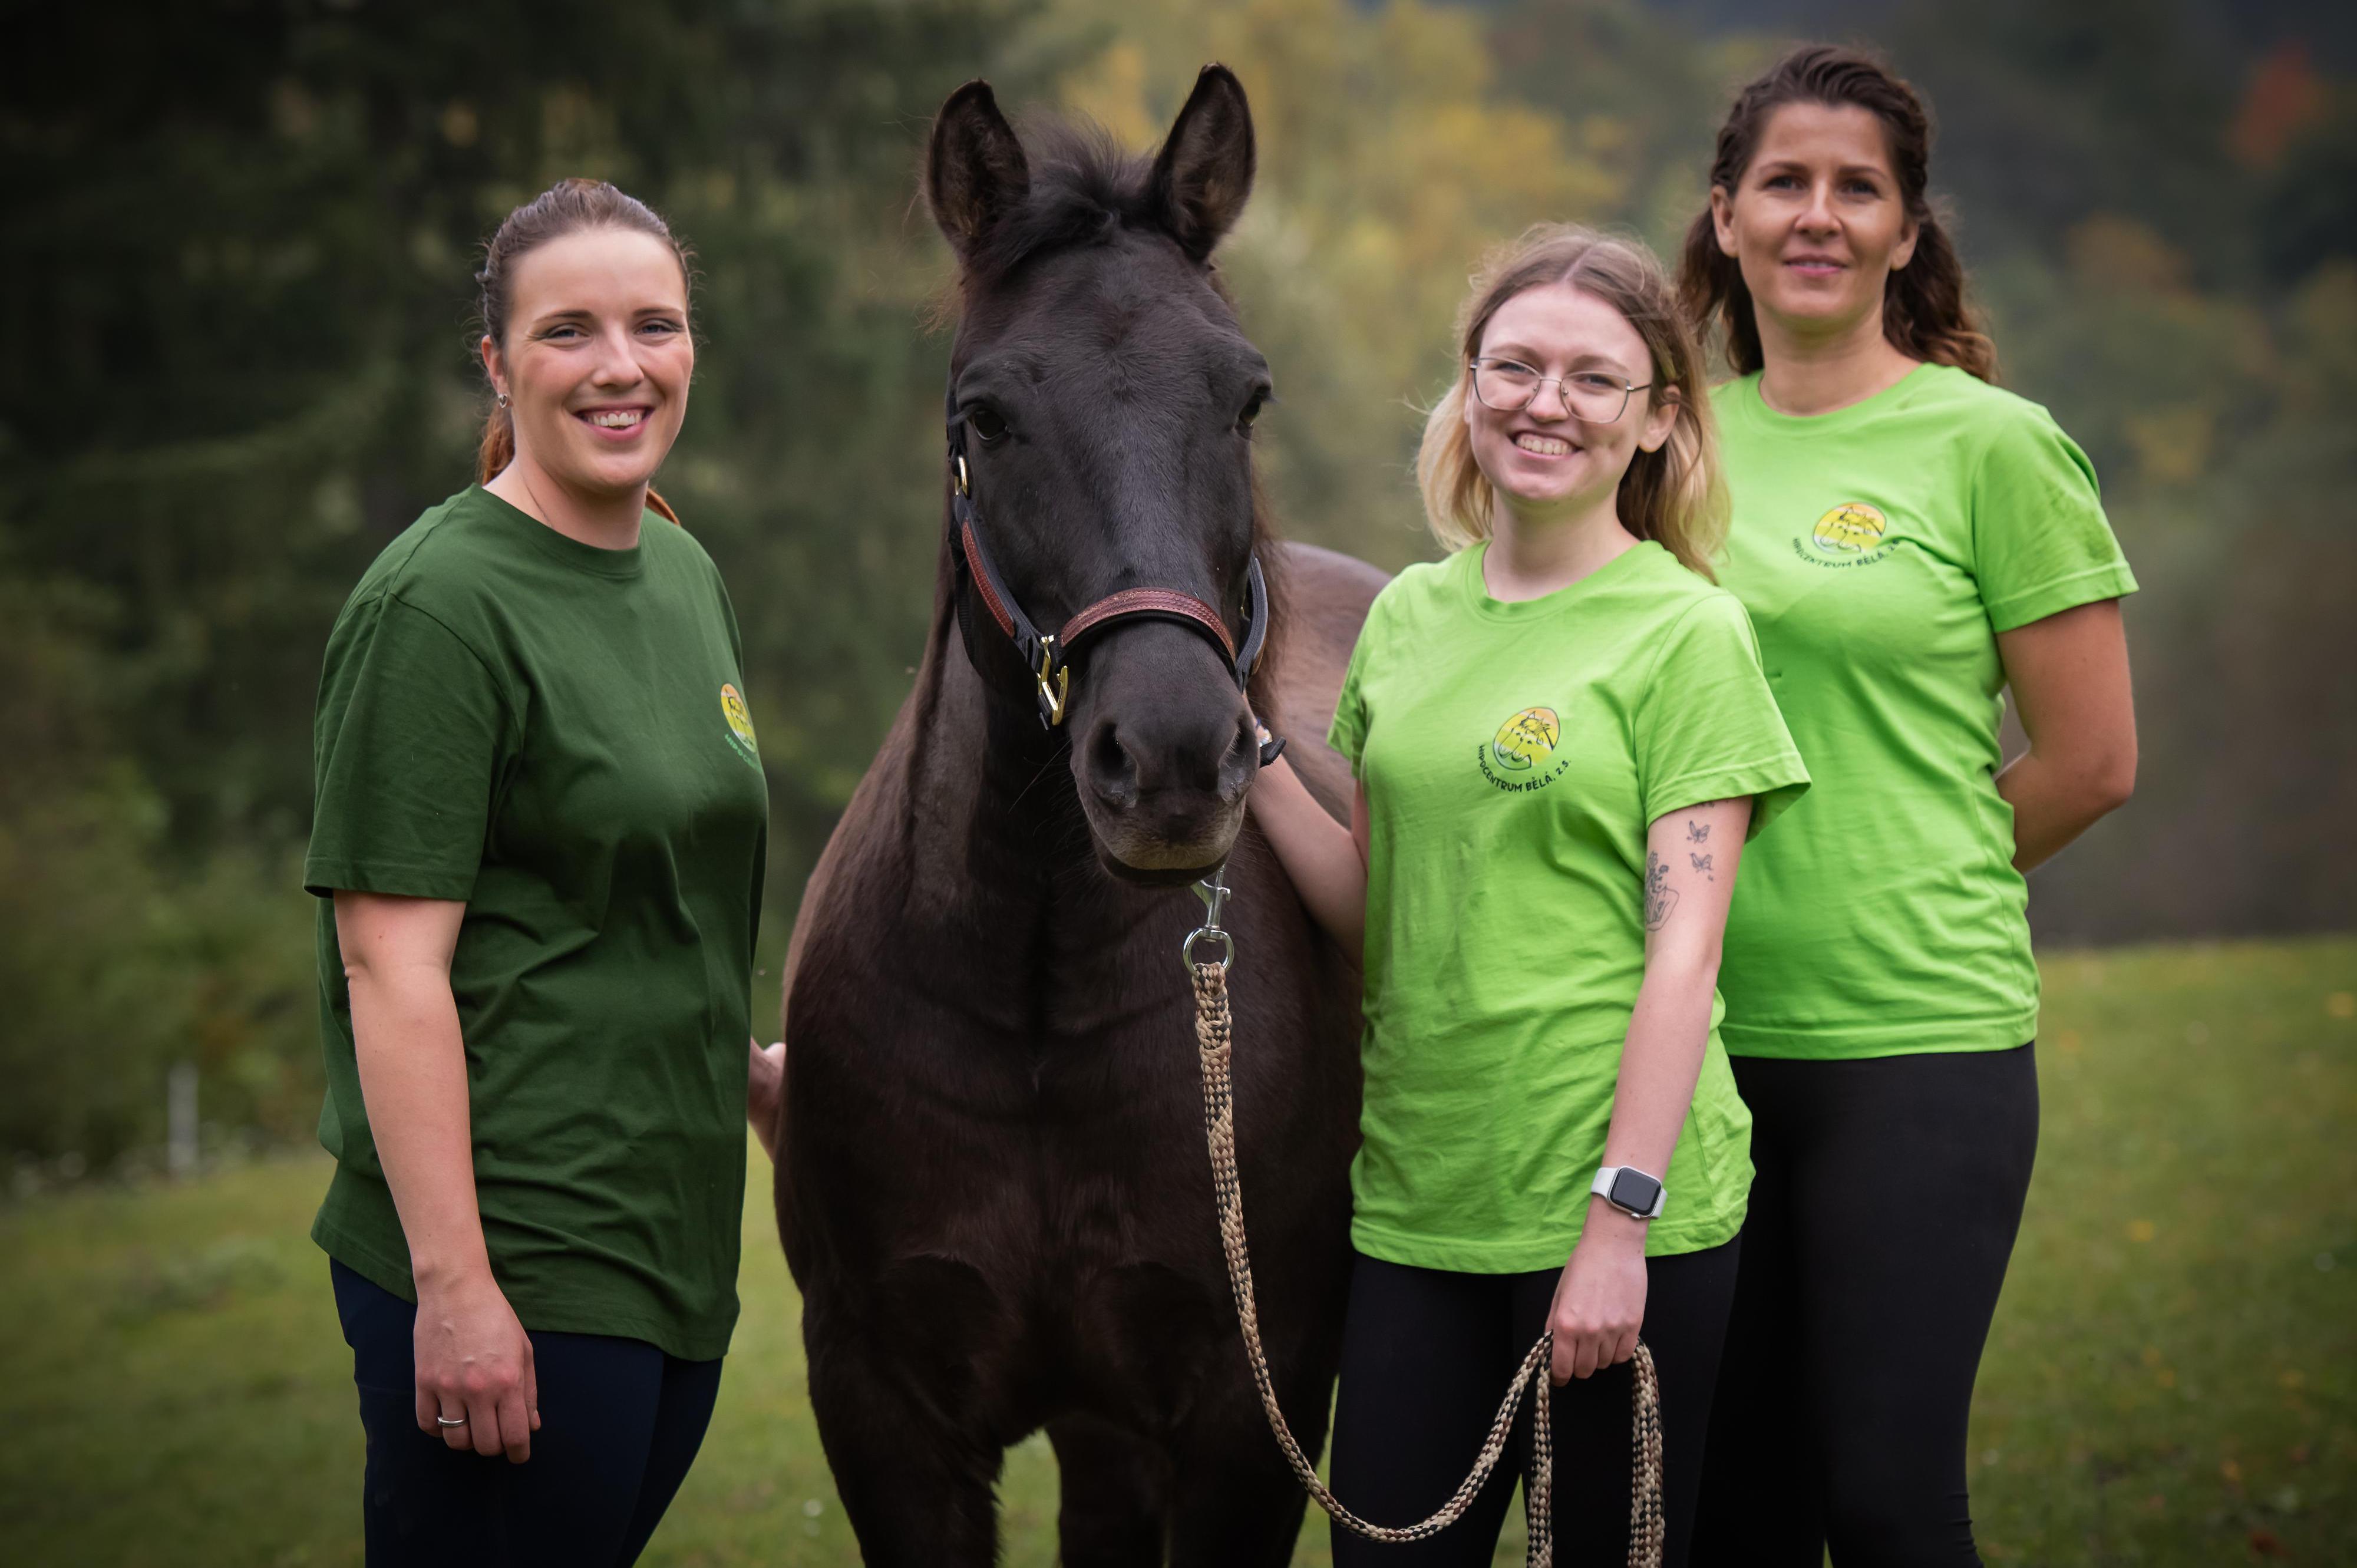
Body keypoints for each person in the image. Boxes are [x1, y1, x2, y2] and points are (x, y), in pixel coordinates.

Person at [1248, 225, 1810, 1567]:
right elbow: (1376, 908)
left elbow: (1685, 955)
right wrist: (1252, 755)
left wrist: (1617, 1223)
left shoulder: (1686, 632)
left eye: (1590, 377)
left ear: (1658, 418)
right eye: (1513, 365)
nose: (1543, 402)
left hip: (1619, 1214)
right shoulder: (1407, 619)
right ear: (1467, 386)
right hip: (1417, 1205)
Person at [1678, 47, 2140, 1566]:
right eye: (1784, 183)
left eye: (1854, 187)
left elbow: (2088, 760)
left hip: (1917, 1040)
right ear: (1724, 219)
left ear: (1905, 229)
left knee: (1882, 1502)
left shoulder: (1989, 445)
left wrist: (1903, 860)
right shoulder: (1662, 449)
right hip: (1685, 1052)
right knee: (1722, 1516)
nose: (1818, 215)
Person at [304, 178, 774, 1566]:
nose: (621, 366)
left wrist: (747, 1068)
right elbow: (391, 964)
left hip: (673, 1237)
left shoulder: (681, 570)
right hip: (517, 1250)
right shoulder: (439, 607)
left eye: (656, 325)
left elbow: (639, 881)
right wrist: (454, 1287)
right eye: (568, 331)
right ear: (499, 363)